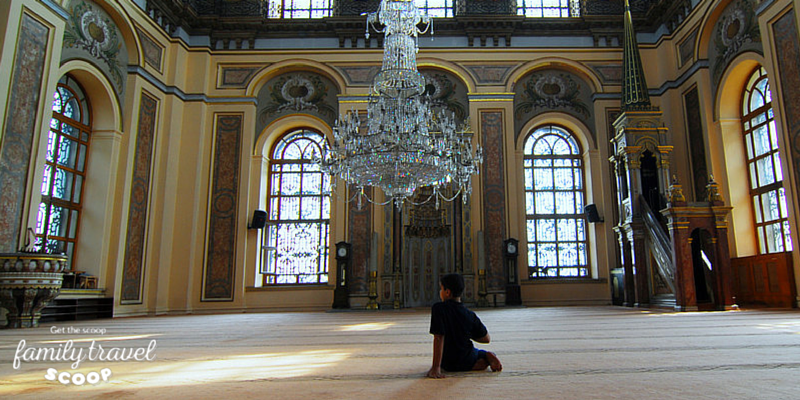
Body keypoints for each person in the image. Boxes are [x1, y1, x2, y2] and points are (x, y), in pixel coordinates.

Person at [426, 273, 502, 379]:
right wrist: (464, 332)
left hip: (448, 362)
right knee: (476, 355)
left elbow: (438, 337)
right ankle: (485, 356)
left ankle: (483, 358)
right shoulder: (469, 314)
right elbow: (486, 339)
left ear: (447, 292)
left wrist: (436, 367)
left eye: (441, 289)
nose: (440, 292)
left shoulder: (438, 309)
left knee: (453, 363)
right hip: (467, 358)